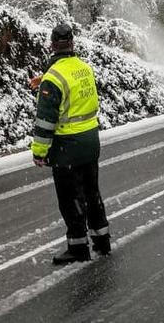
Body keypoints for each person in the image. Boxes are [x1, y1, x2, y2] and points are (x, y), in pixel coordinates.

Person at [31, 23, 111, 264]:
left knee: (70, 198)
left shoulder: (53, 78)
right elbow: (75, 97)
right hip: (90, 140)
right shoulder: (84, 69)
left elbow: (46, 121)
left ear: (52, 45)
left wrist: (39, 152)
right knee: (91, 193)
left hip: (67, 147)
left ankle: (77, 247)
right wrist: (43, 83)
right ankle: (102, 240)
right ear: (73, 44)